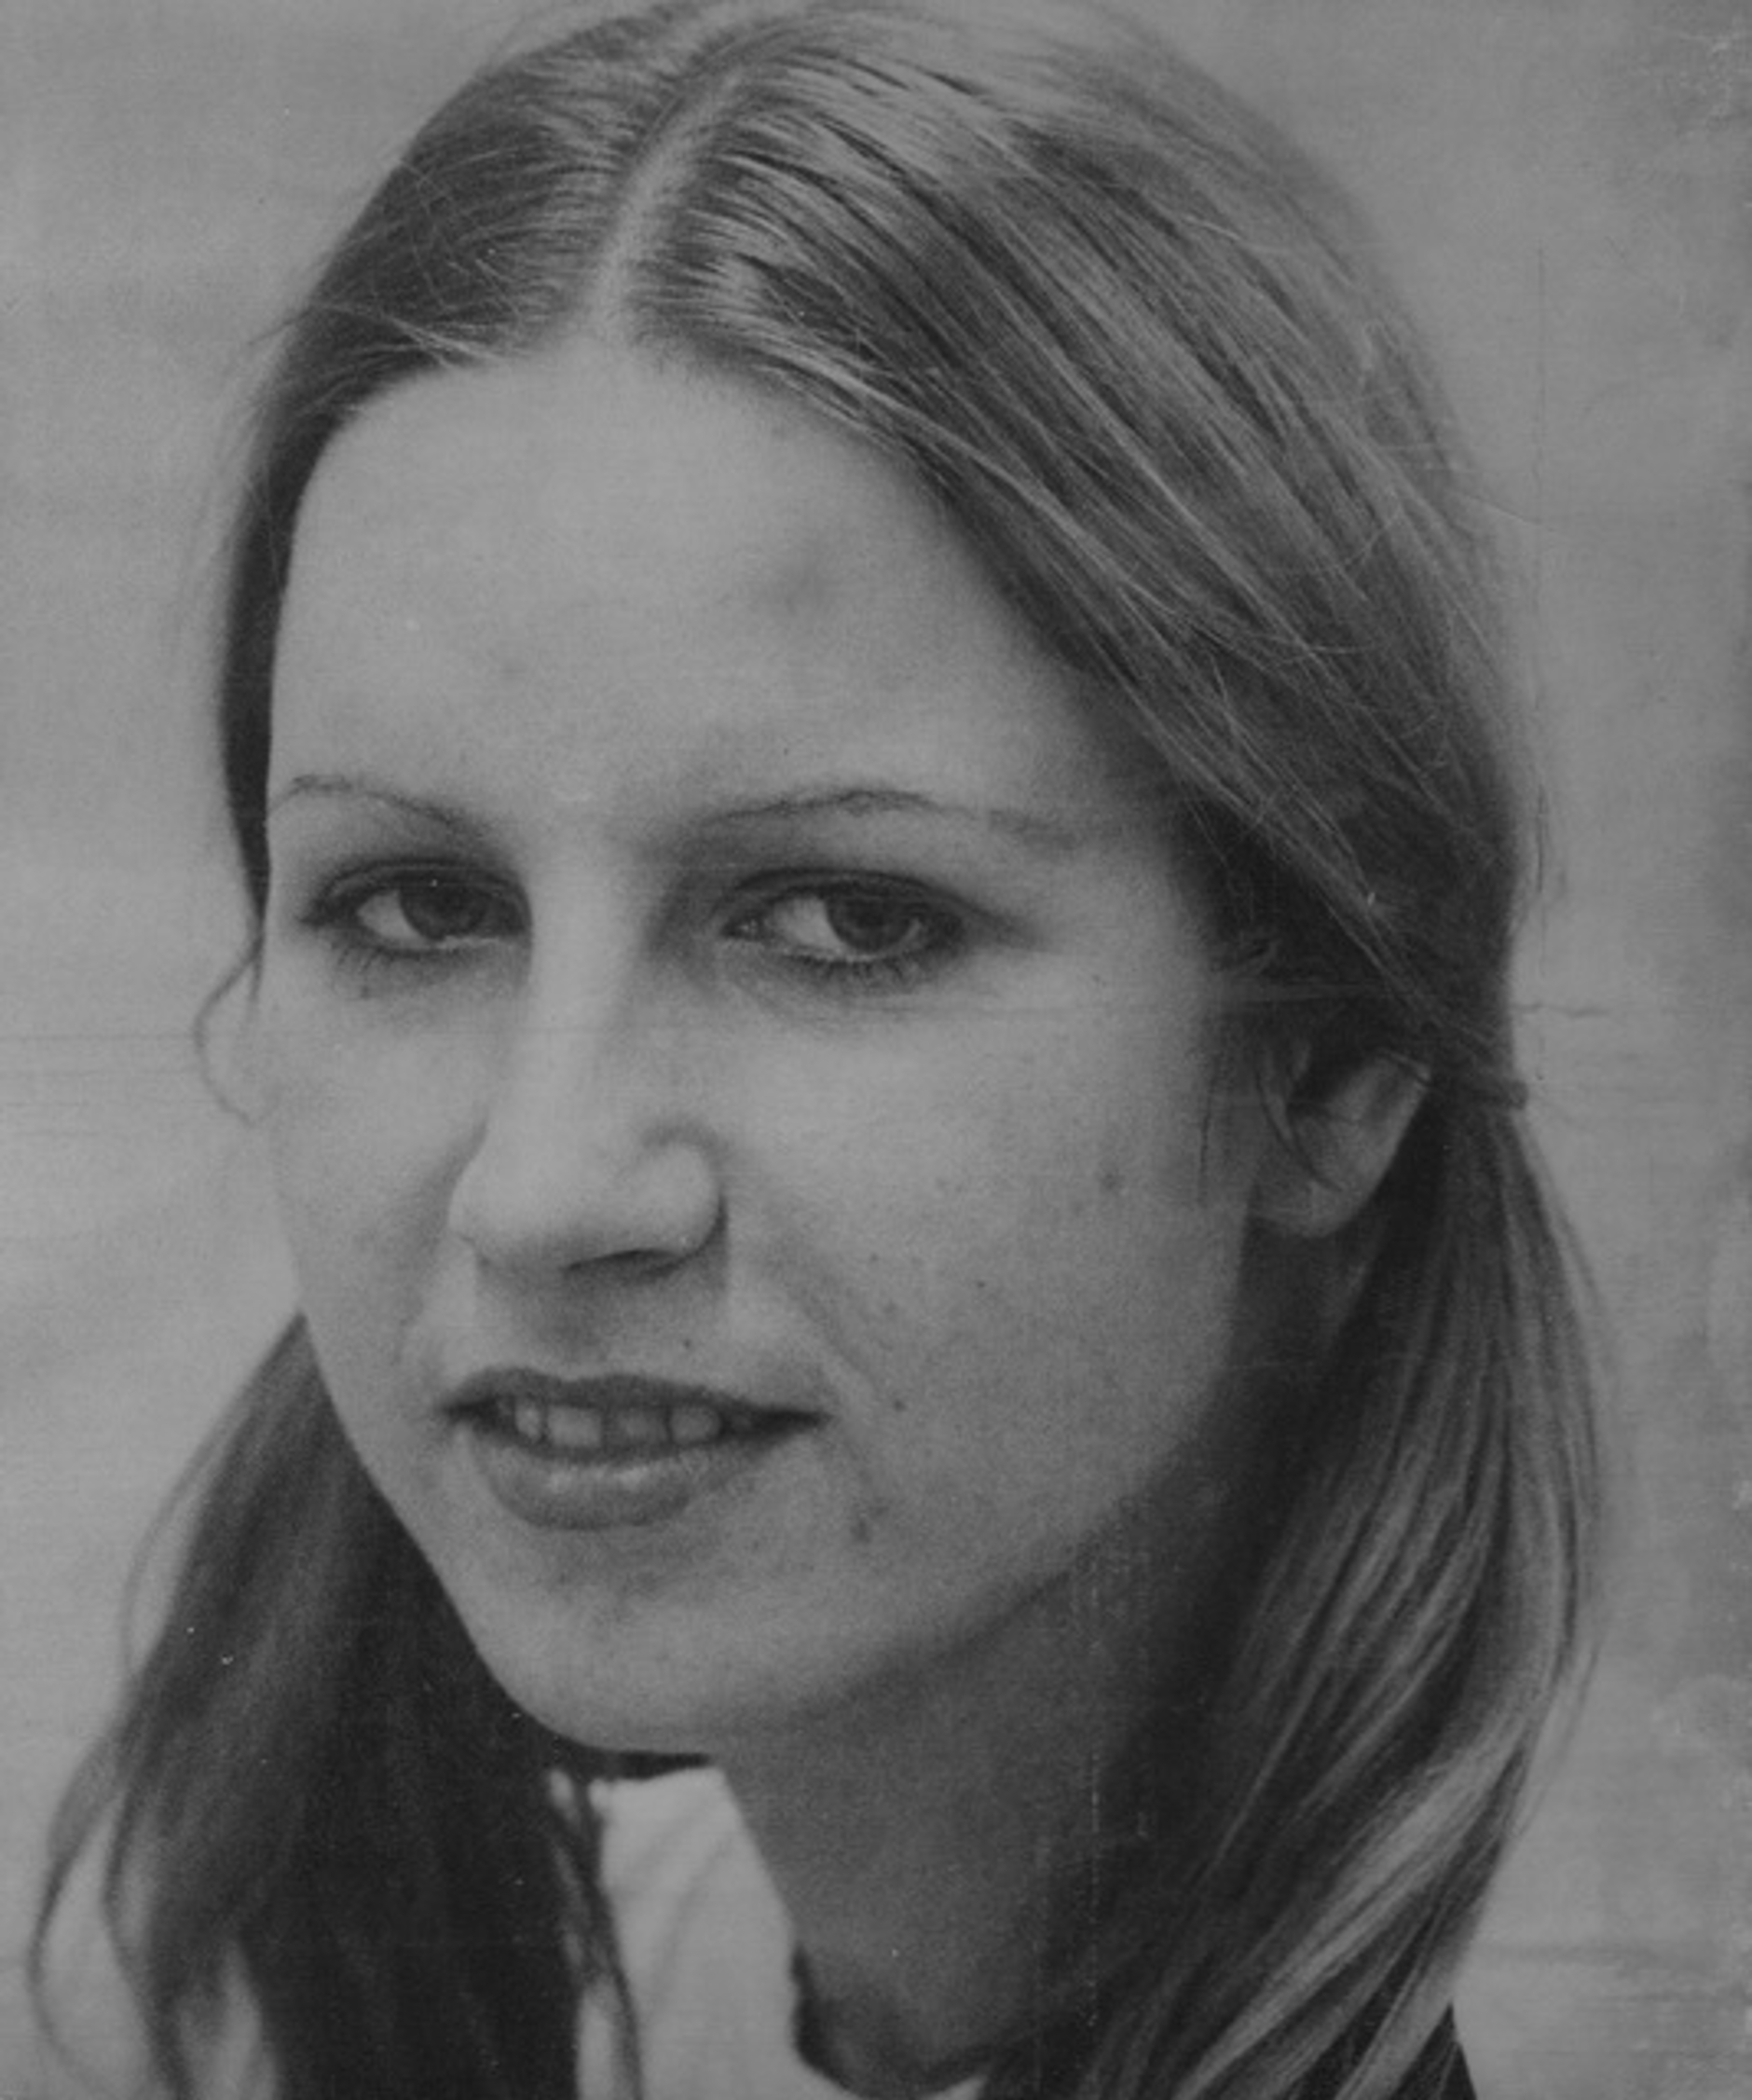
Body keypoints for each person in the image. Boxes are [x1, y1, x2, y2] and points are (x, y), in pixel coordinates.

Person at [31, 2, 1605, 2095]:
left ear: (1326, 1060)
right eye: (417, 905)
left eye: (848, 920)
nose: (545, 1186)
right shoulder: (351, 1991)